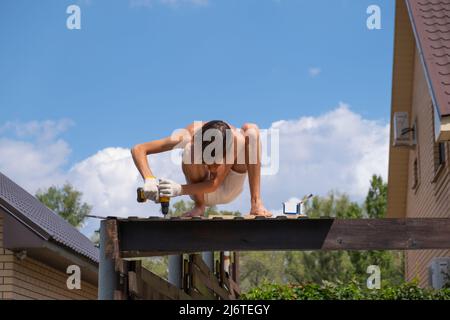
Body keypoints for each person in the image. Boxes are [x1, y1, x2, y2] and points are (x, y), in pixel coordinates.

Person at [131, 120, 272, 217]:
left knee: (251, 131)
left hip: (227, 188)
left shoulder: (233, 140)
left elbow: (214, 184)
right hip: (201, 193)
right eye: (207, 163)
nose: (212, 169)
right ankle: (199, 206)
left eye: (217, 163)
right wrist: (149, 179)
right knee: (188, 149)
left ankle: (256, 203)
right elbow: (138, 149)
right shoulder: (188, 136)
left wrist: (179, 190)